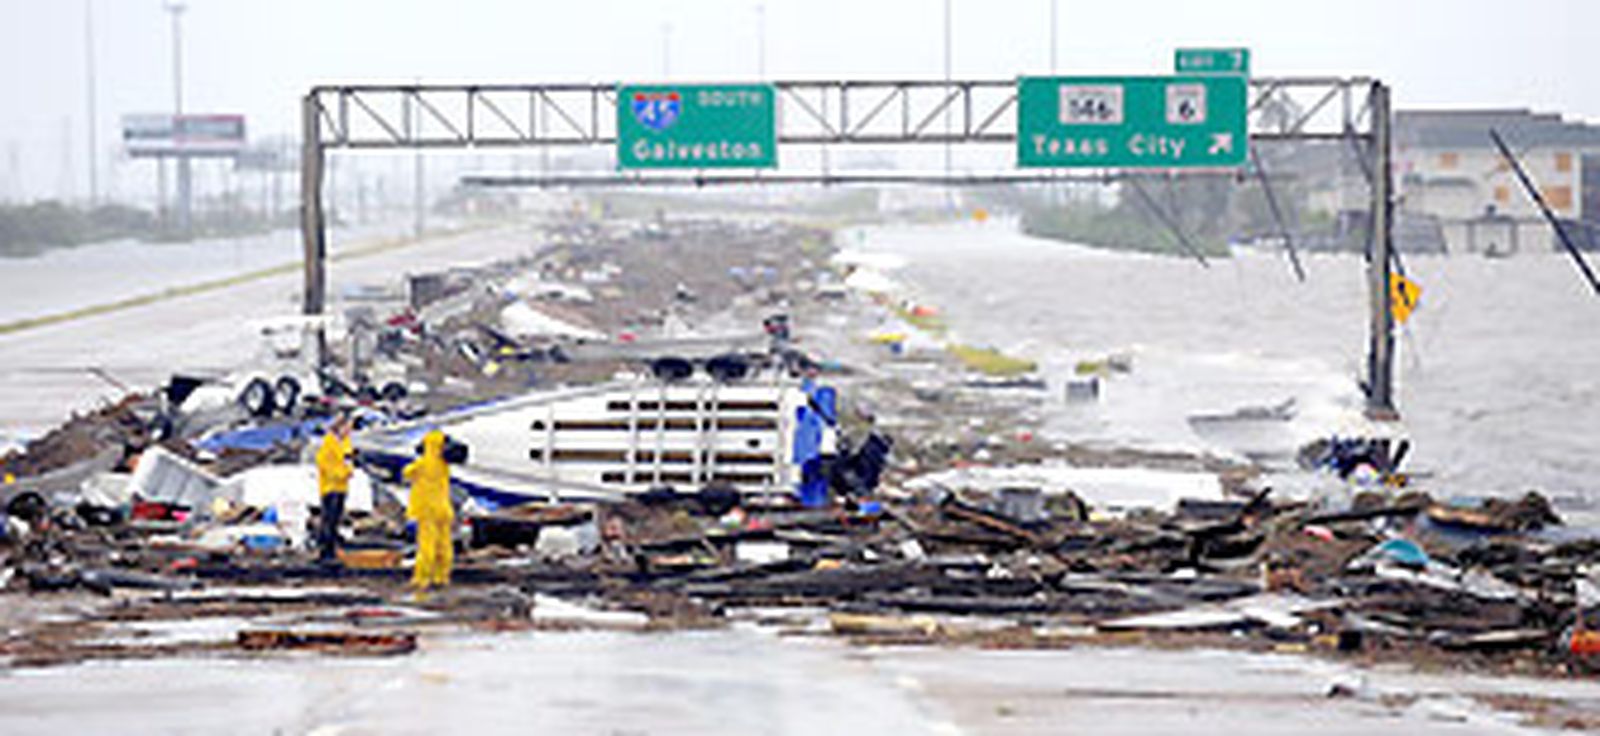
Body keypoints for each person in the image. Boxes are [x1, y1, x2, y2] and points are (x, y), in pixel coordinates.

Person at [404, 430, 454, 592]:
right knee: (444, 545)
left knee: (427, 546)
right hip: (444, 509)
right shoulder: (444, 465)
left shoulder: (421, 465)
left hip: (427, 510)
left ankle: (422, 578)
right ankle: (442, 577)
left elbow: (406, 473)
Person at [314, 417, 353, 563]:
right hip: (330, 487)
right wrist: (342, 473)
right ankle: (325, 551)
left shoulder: (345, 443)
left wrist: (348, 470)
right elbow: (325, 465)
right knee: (329, 519)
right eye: (347, 428)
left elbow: (347, 460)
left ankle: (331, 550)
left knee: (335, 519)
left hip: (342, 486)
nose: (349, 431)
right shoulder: (328, 445)